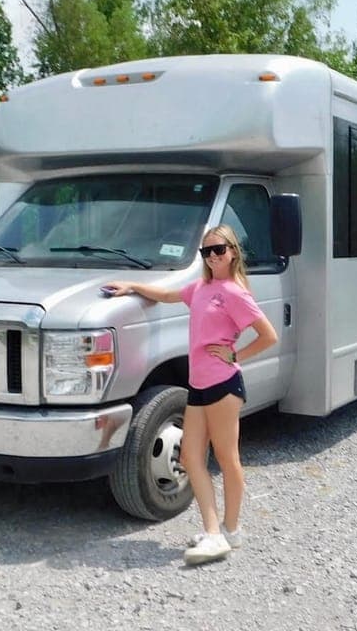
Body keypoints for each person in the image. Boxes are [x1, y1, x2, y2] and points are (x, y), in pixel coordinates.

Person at [105, 224, 278, 566]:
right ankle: (217, 532)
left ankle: (227, 530)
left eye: (219, 250)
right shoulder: (201, 287)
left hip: (223, 385)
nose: (213, 257)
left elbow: (268, 335)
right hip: (198, 385)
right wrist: (132, 287)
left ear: (233, 251)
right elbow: (168, 296)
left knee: (227, 459)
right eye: (206, 252)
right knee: (189, 458)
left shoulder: (234, 292)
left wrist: (235, 356)